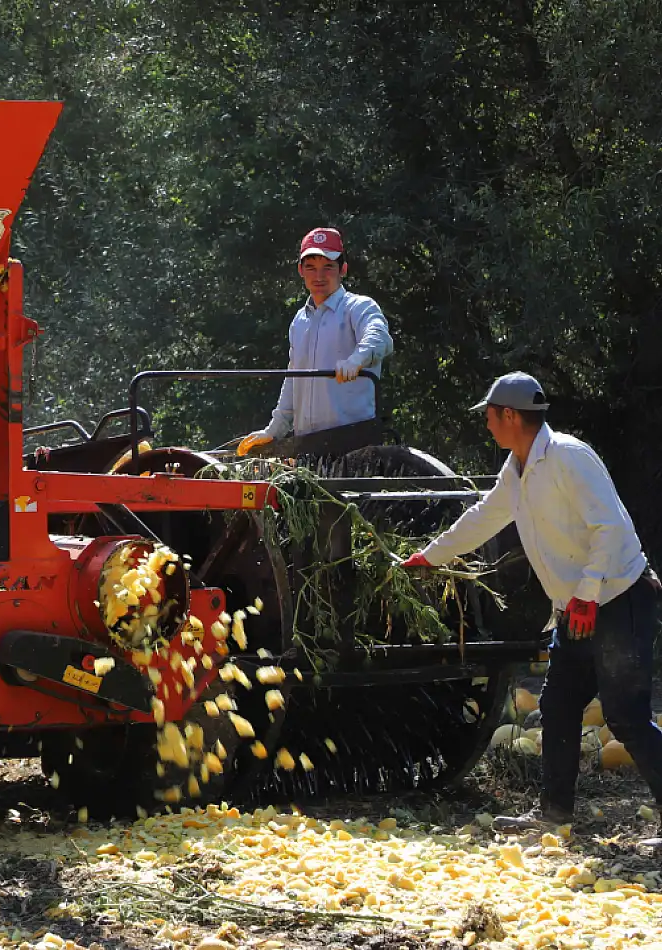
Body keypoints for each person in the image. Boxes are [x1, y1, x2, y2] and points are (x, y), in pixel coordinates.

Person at [401, 372, 662, 845]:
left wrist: (586, 592)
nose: (486, 424)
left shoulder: (568, 457)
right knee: (559, 707)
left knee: (625, 715)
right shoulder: (516, 468)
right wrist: (430, 556)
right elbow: (483, 516)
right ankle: (555, 815)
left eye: (489, 415)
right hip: (576, 608)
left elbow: (609, 527)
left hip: (619, 597)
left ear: (510, 415)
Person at [237, 227, 394, 457]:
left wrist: (356, 360)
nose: (318, 276)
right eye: (310, 267)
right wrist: (274, 430)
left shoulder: (359, 307)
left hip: (353, 445)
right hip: (306, 448)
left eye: (328, 267)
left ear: (343, 269)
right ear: (301, 270)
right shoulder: (299, 321)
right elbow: (293, 379)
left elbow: (378, 336)